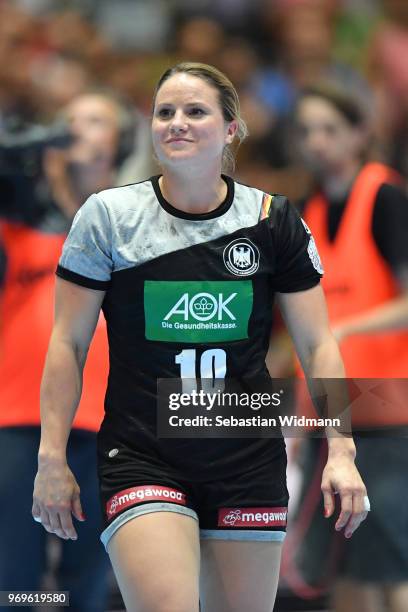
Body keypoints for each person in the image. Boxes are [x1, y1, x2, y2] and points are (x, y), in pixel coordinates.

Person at [32, 62, 368, 612]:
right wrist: (51, 459)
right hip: (143, 451)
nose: (177, 123)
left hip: (246, 448)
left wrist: (341, 450)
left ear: (231, 129)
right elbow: (68, 342)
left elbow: (318, 345)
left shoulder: (272, 219)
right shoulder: (110, 217)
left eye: (195, 111)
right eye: (165, 112)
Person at [0, 90, 141, 610]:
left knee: (87, 583)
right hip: (17, 417)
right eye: (70, 120)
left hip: (106, 420)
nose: (79, 128)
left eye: (95, 119)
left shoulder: (132, 225)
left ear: (118, 143)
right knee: (12, 580)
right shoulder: (17, 219)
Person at [283, 85, 408, 612]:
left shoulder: (385, 195)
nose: (317, 141)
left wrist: (349, 329)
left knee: (393, 562)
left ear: (360, 134)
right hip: (329, 414)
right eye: (307, 130)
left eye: (330, 128)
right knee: (343, 567)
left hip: (388, 411)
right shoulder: (304, 209)